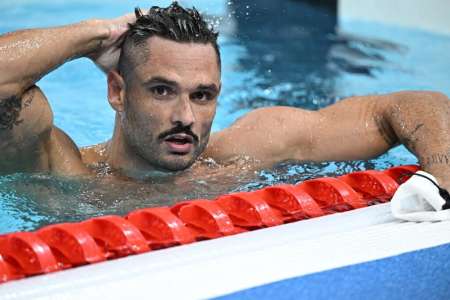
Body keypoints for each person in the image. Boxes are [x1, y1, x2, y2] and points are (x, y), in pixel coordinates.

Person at [0, 2, 449, 193]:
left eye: (202, 95)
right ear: (117, 91)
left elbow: (412, 105)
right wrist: (93, 35)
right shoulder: (62, 170)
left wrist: (442, 177)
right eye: (162, 90)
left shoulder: (243, 153)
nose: (185, 117)